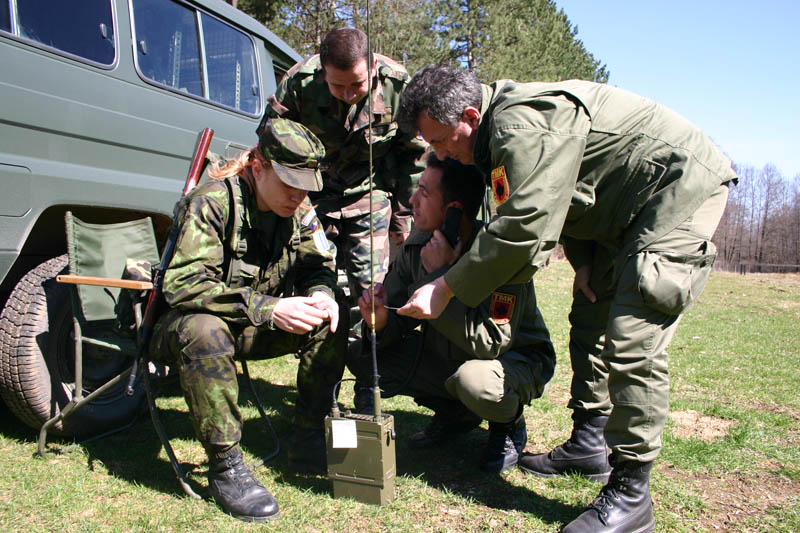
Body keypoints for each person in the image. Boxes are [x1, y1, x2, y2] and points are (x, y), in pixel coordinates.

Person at [396, 64, 736, 532]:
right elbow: (573, 190)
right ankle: (590, 442)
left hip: (675, 191)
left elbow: (525, 224)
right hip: (619, 214)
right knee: (592, 311)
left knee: (632, 336)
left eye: (440, 141)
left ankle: (632, 493)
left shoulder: (518, 125)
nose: (440, 153)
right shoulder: (495, 141)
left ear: (470, 117)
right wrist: (584, 257)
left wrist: (446, 286)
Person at [149, 118, 348, 522]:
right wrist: (270, 309)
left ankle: (308, 437)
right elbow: (184, 285)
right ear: (257, 166)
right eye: (290, 183)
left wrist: (322, 295)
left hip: (245, 328)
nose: (299, 196)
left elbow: (320, 264)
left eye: (306, 187)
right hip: (182, 330)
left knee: (330, 317)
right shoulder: (211, 202)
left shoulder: (297, 207)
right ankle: (226, 464)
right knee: (205, 330)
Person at [349, 153, 555, 473]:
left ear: (454, 211)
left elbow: (492, 342)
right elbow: (396, 315)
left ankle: (508, 425)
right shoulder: (418, 245)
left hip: (512, 362)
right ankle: (456, 414)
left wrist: (441, 276)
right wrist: (382, 320)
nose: (413, 199)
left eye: (425, 193)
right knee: (363, 351)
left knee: (476, 382)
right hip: (450, 358)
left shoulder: (499, 257)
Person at [260, 28, 427, 408]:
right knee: (319, 289)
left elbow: (414, 160)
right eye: (339, 87)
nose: (350, 95)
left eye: (357, 85)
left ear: (373, 67)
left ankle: (370, 383)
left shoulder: (398, 87)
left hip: (369, 199)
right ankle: (323, 387)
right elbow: (271, 140)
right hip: (312, 198)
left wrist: (405, 223)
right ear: (323, 74)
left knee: (372, 294)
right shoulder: (299, 84)